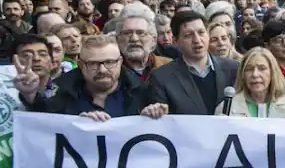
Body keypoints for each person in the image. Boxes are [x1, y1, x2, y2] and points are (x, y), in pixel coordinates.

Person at [14, 35, 155, 120]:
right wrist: (30, 95)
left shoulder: (142, 92)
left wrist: (152, 117)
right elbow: (43, 123)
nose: (102, 69)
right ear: (80, 65)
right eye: (93, 63)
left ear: (120, 62)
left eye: (109, 62)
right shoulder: (61, 91)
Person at [148, 11, 239, 115]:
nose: (197, 40)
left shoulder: (233, 68)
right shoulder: (162, 77)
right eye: (188, 35)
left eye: (201, 32)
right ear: (176, 41)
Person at [214, 47, 285, 118]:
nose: (255, 74)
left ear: (272, 72)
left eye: (262, 68)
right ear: (242, 74)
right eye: (249, 69)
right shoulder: (227, 107)